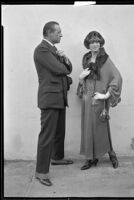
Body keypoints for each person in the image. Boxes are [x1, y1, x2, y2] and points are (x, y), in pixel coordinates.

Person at [33, 21, 73, 186]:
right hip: (50, 98)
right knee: (47, 135)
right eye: (58, 32)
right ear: (49, 33)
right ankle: (41, 172)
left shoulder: (53, 50)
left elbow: (68, 68)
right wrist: (62, 60)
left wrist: (65, 59)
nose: (61, 35)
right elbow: (60, 70)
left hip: (59, 97)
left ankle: (56, 158)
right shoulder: (42, 49)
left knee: (59, 131)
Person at [77, 31, 122, 170]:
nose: (95, 44)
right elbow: (85, 81)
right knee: (88, 127)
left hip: (99, 99)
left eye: (97, 41)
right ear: (88, 44)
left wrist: (106, 95)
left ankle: (111, 154)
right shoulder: (86, 59)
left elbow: (117, 77)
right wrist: (80, 78)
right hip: (87, 98)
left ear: (100, 43)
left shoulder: (105, 60)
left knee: (102, 128)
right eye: (92, 42)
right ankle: (90, 158)